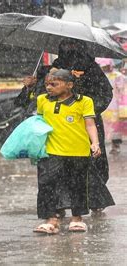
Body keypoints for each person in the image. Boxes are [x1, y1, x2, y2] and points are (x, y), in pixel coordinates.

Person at [16, 39, 115, 214]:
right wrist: (30, 86)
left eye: (73, 45)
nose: (70, 49)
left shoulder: (91, 70)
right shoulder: (51, 70)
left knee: (88, 166)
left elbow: (104, 94)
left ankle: (91, 201)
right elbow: (32, 100)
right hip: (56, 127)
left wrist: (85, 110)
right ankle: (57, 205)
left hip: (86, 124)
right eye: (66, 45)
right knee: (54, 167)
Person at [33, 69, 101, 234]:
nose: (49, 87)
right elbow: (39, 122)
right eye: (47, 84)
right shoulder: (42, 100)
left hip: (77, 151)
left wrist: (95, 143)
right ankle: (51, 220)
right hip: (50, 151)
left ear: (69, 85)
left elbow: (90, 124)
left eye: (54, 84)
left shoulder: (84, 101)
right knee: (47, 184)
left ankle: (77, 219)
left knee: (77, 185)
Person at [96, 58, 126, 154]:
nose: (104, 68)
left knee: (116, 126)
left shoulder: (118, 76)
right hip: (104, 105)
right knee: (105, 126)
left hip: (115, 105)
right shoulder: (99, 77)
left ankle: (115, 145)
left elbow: (123, 90)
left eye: (105, 66)